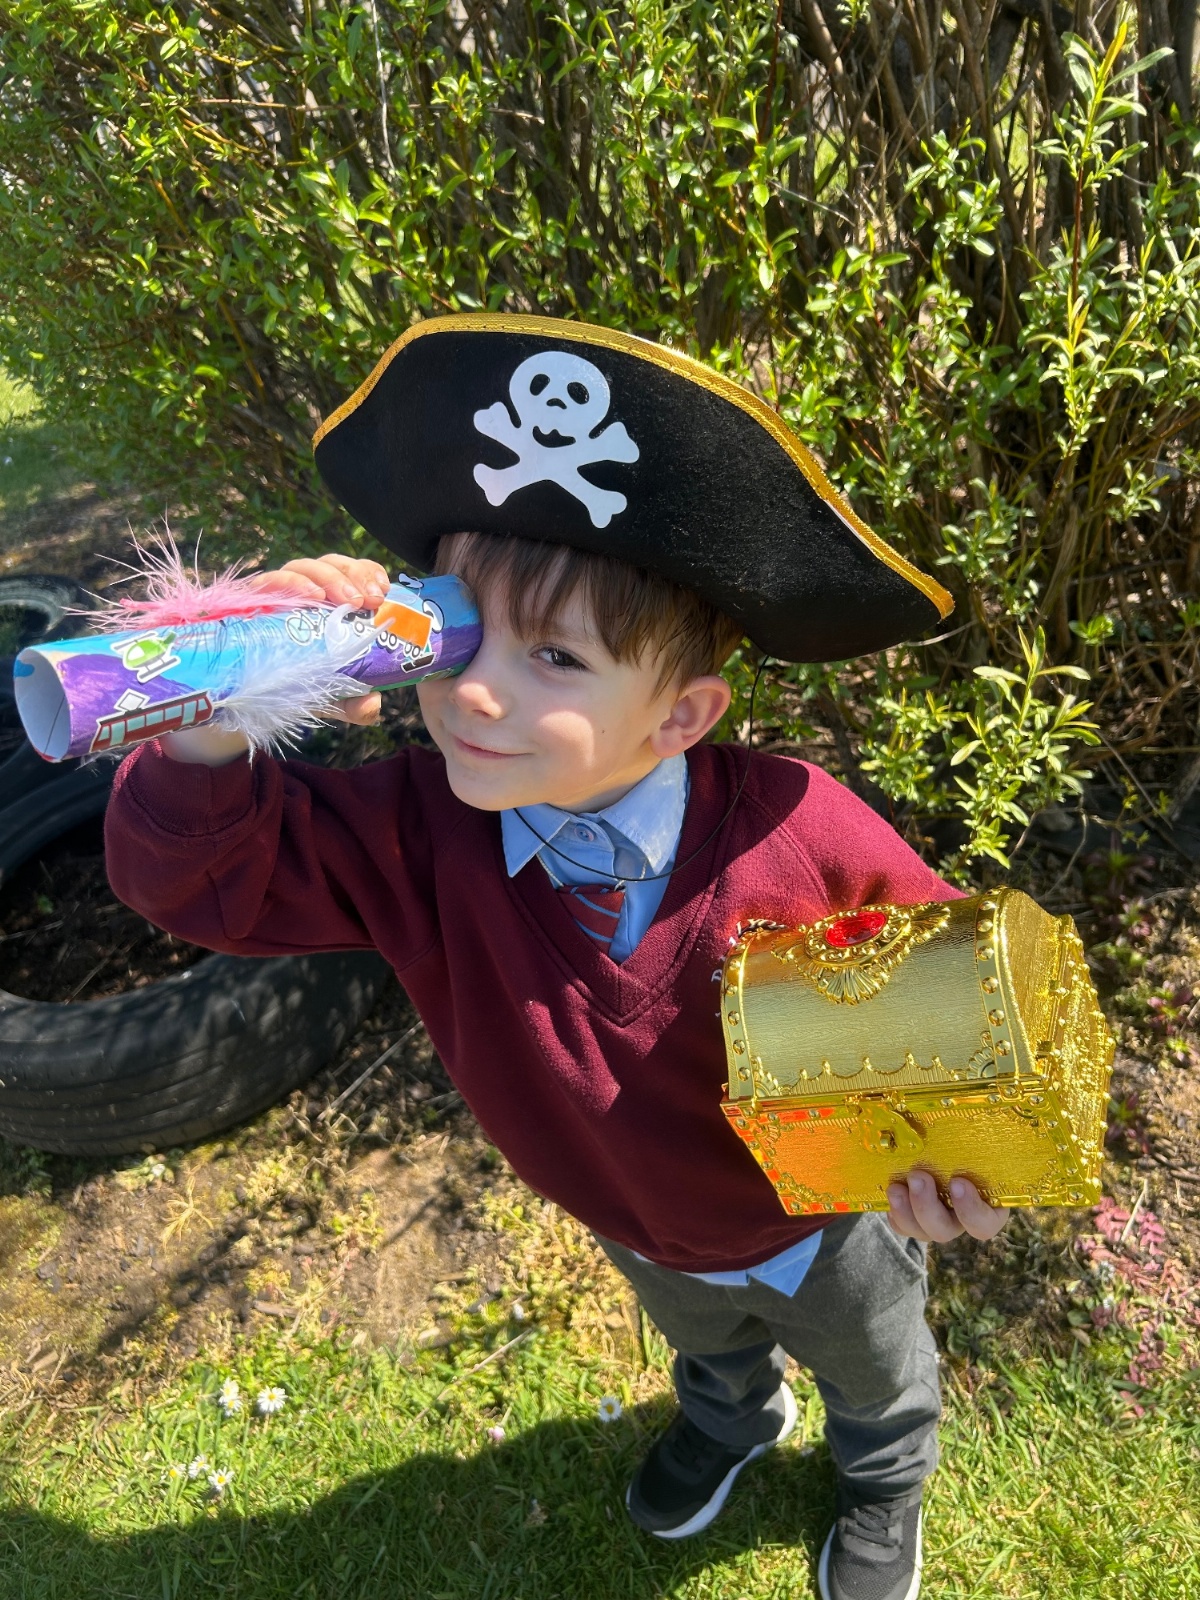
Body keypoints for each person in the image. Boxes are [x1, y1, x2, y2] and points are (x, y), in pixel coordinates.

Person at [105, 315, 1008, 1600]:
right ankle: (735, 1415)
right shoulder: (417, 833)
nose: (478, 693)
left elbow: (968, 1012)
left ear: (681, 714)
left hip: (816, 1228)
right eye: (463, 636)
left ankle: (885, 1477)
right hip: (633, 1218)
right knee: (705, 1341)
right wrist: (229, 704)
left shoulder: (801, 836)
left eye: (557, 658)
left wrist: (965, 1161)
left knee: (876, 1368)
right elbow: (200, 882)